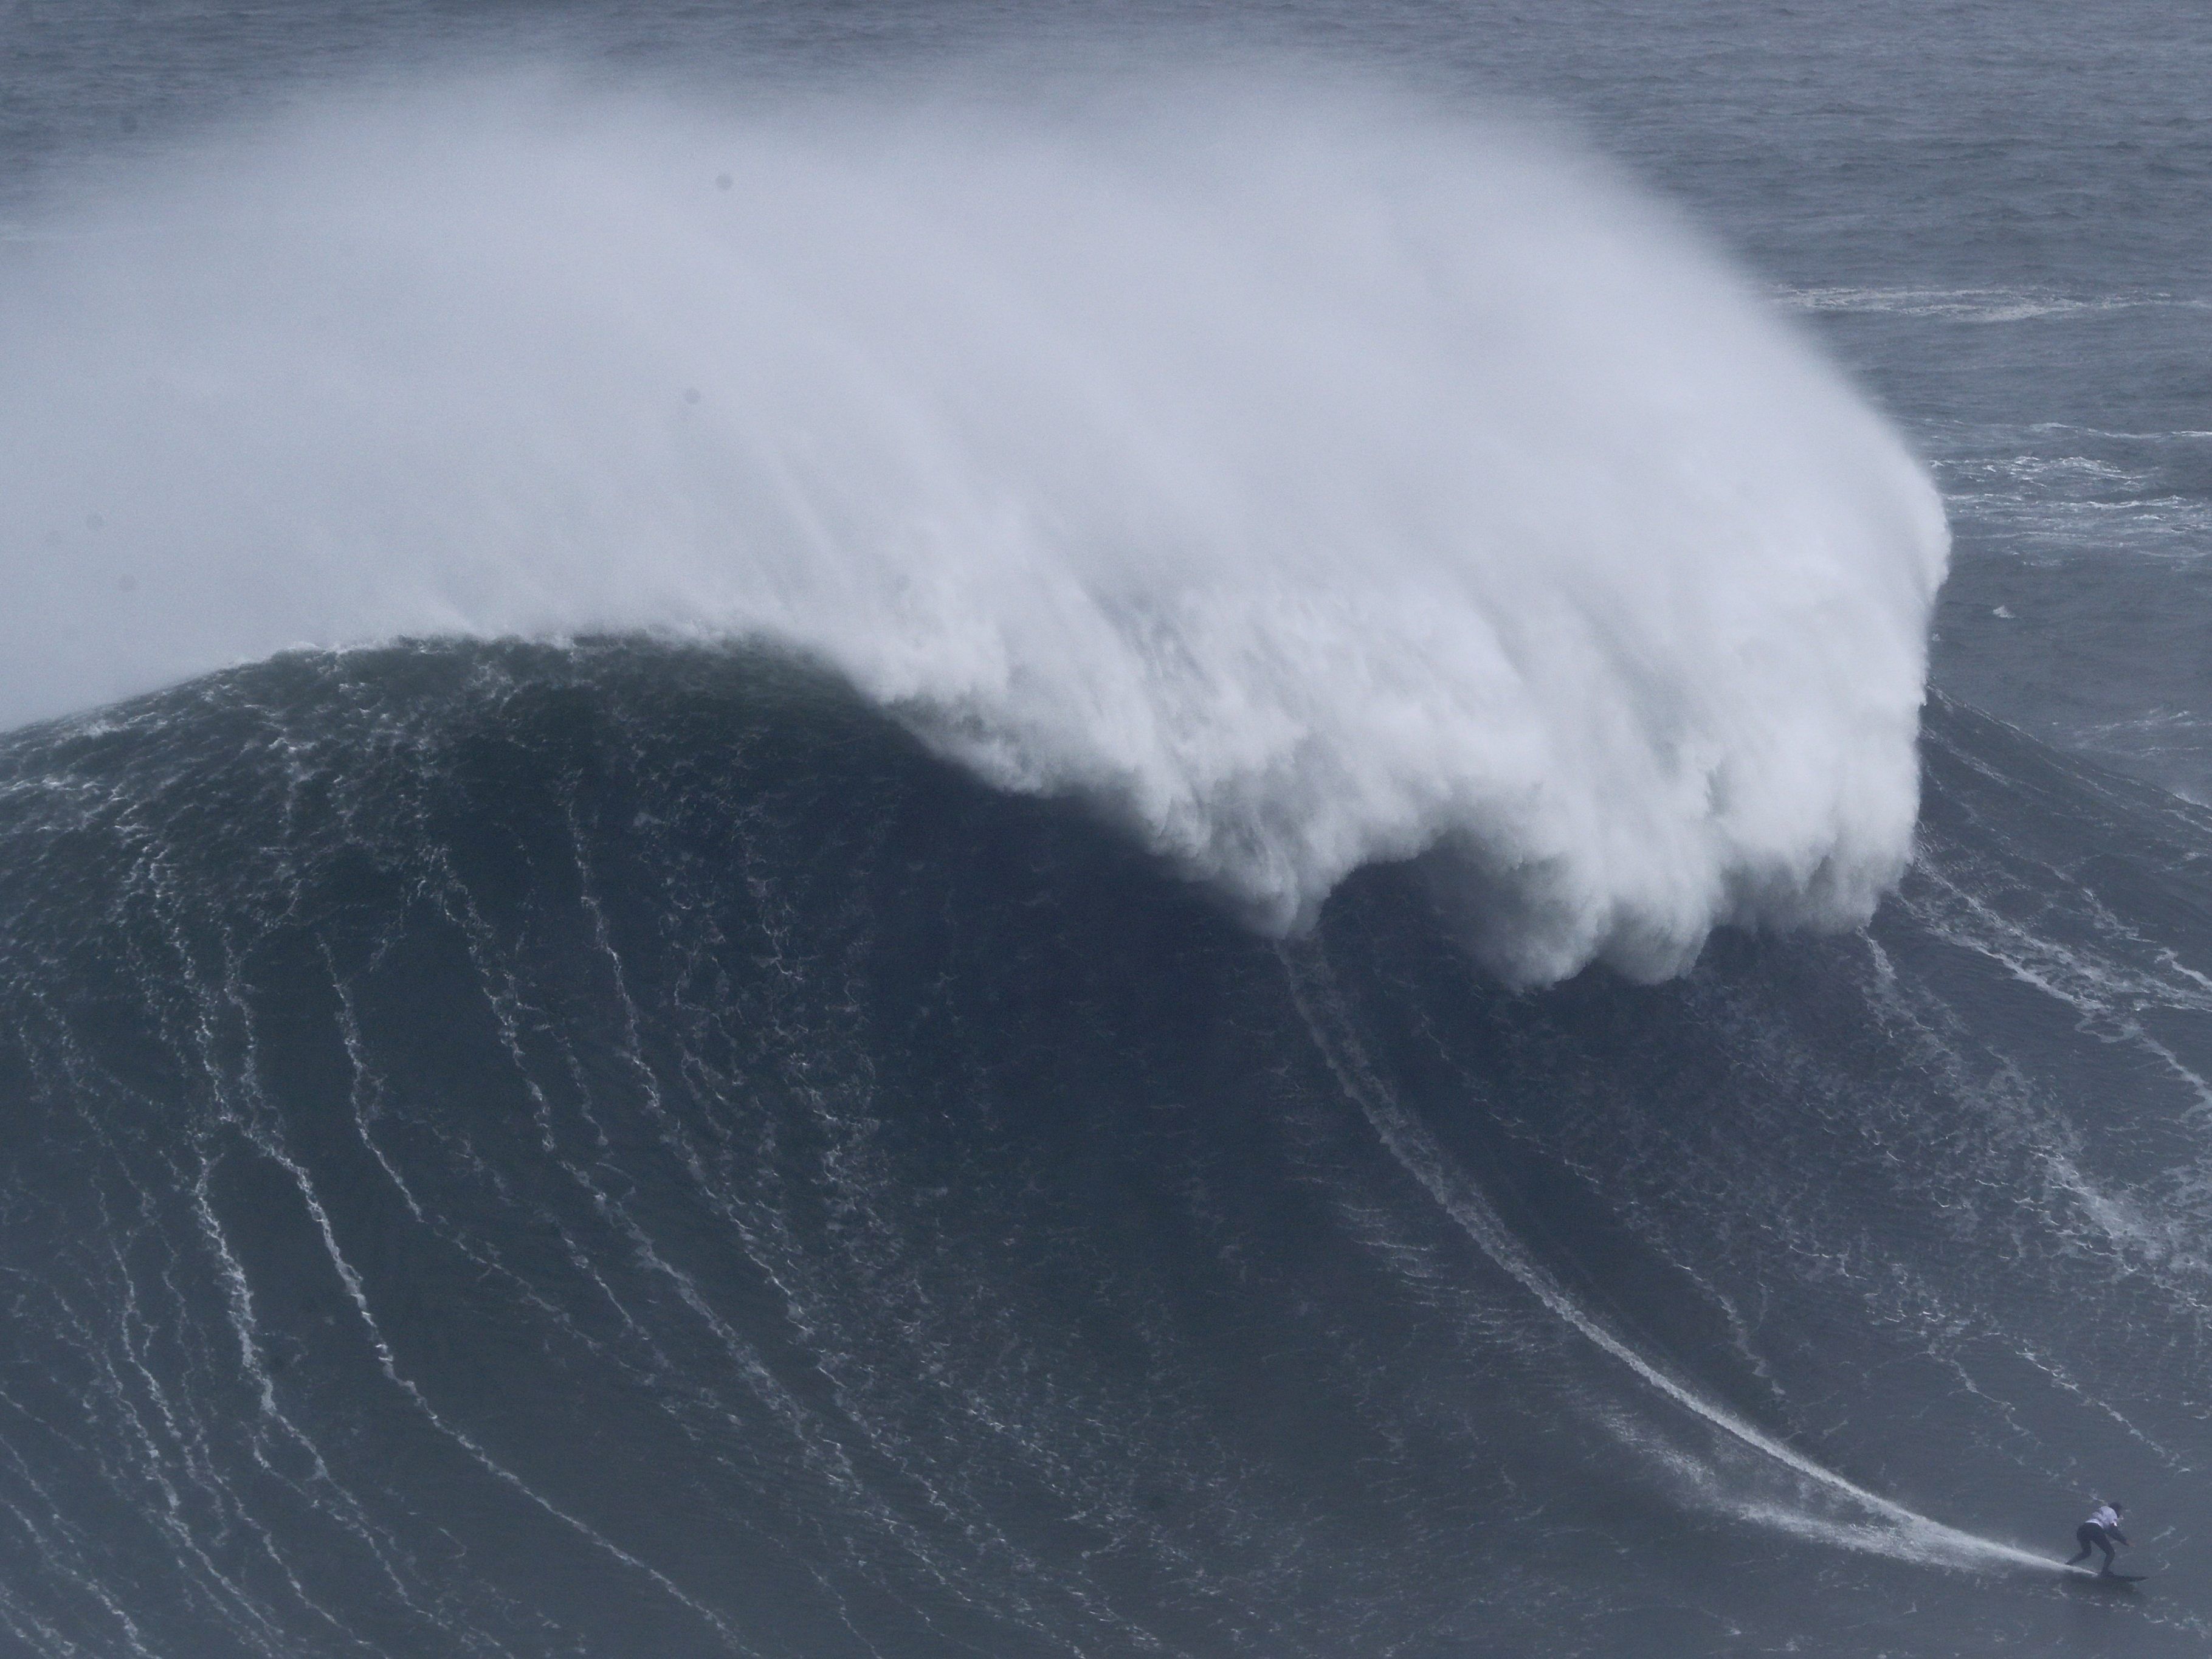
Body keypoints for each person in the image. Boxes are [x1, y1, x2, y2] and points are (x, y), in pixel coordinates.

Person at [2066, 1501, 2129, 1573]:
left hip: (2083, 1529)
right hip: (2095, 1529)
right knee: (2111, 1553)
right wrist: (2125, 1540)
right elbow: (2114, 1529)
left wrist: (2123, 1541)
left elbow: (2110, 1533)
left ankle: (2068, 1564)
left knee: (2086, 1553)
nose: (2120, 1514)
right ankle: (2105, 1571)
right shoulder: (2113, 1513)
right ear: (2116, 1510)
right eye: (2120, 1511)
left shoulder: (2103, 1510)